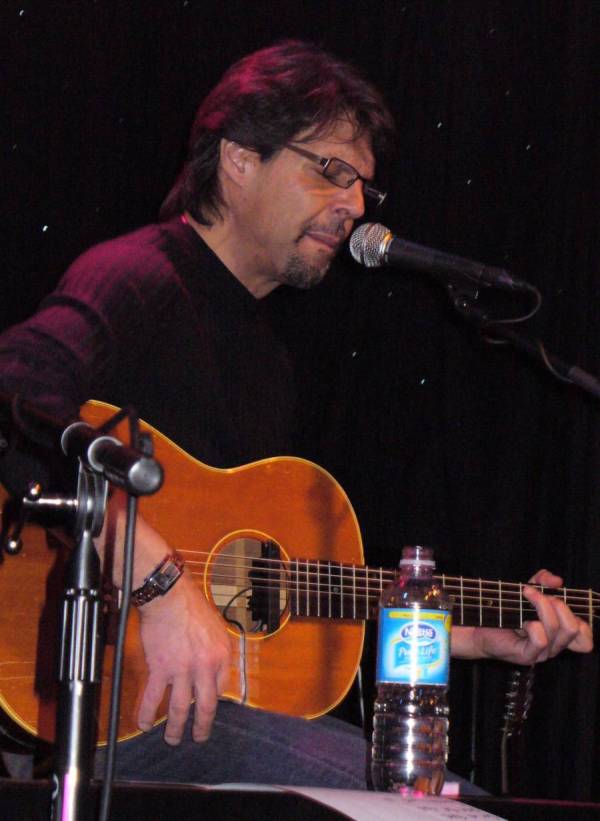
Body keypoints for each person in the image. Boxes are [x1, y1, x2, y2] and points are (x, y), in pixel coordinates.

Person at [0, 40, 592, 791]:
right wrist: (152, 575)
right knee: (444, 808)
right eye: (329, 171)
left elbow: (270, 620)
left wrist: (453, 633)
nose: (351, 207)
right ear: (241, 159)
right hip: (106, 709)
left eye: (362, 188)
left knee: (434, 793)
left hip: (201, 721)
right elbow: (14, 400)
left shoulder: (268, 361)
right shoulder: (138, 276)